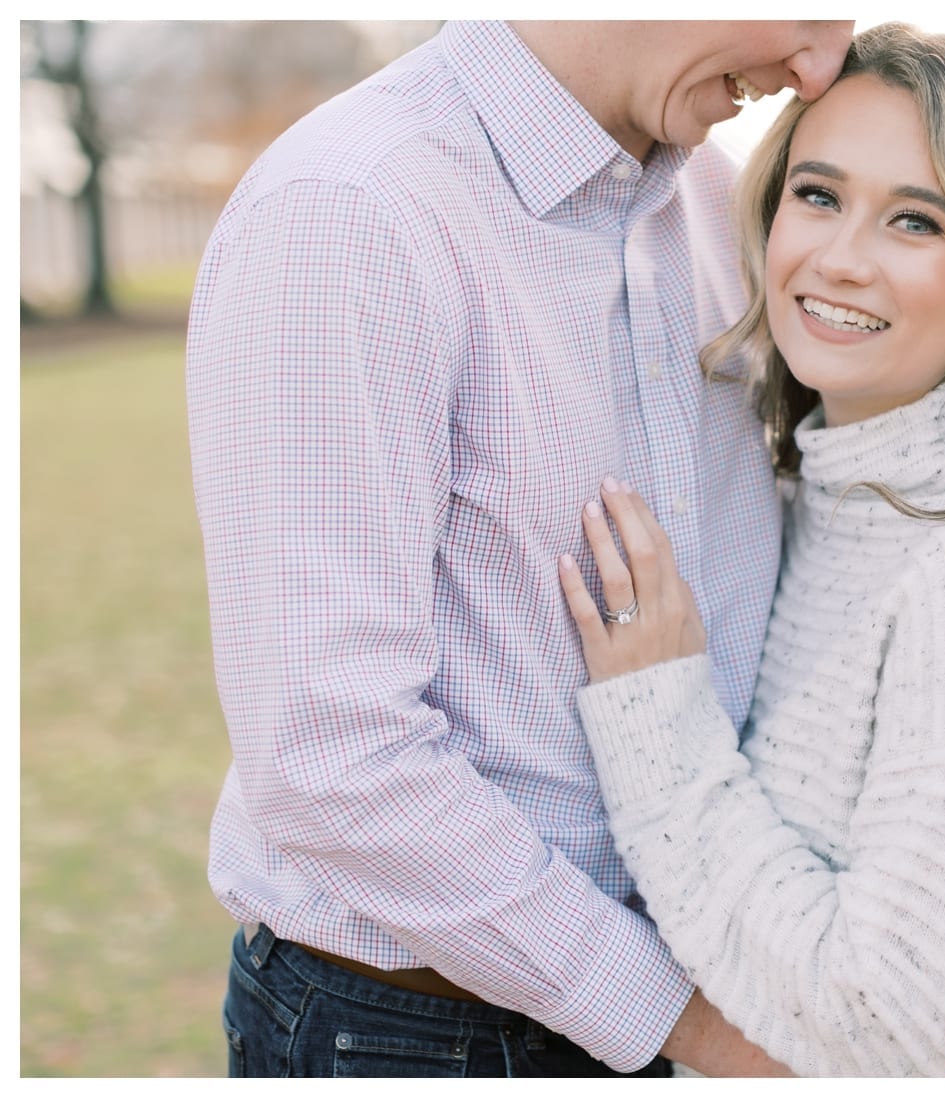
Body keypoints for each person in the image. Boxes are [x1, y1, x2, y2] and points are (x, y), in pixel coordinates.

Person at [185, 19, 857, 1078]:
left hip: (734, 996)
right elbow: (331, 759)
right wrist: (691, 1028)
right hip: (422, 1038)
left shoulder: (728, 199)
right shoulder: (349, 209)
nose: (820, 68)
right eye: (809, 12)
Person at [559, 22, 945, 1077]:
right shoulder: (813, 496)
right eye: (817, 195)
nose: (839, 258)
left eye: (914, 220)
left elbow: (880, 1023)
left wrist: (654, 717)